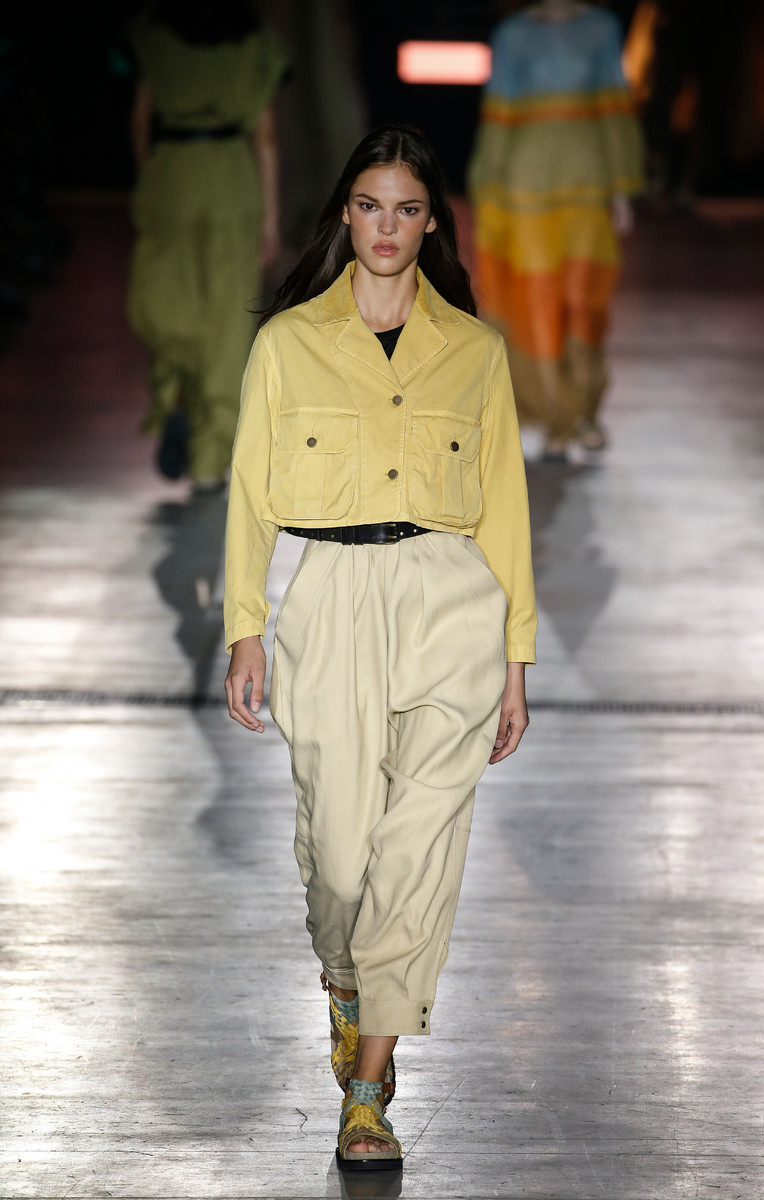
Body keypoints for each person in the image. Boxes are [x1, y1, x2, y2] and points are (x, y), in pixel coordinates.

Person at [223, 124, 537, 1170]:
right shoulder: (288, 344)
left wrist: (515, 662)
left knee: (418, 854)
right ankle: (345, 978)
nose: (386, 228)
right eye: (369, 207)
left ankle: (368, 1092)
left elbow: (505, 511)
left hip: (453, 604)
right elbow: (248, 498)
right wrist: (244, 631)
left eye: (406, 209)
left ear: (432, 222)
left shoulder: (475, 352)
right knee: (342, 854)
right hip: (333, 601)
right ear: (345, 215)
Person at [467, 0, 644, 461]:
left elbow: (614, 106)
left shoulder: (601, 29)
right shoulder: (512, 35)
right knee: (536, 303)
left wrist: (622, 187)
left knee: (585, 301)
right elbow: (497, 114)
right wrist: (487, 188)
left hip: (588, 184)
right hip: (523, 188)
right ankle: (549, 415)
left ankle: (582, 410)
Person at [124, 0, 289, 491]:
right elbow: (265, 134)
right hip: (230, 179)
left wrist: (151, 178)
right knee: (226, 322)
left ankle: (175, 393)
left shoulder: (153, 35)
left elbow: (141, 121)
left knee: (166, 304)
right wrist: (270, 214)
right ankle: (209, 456)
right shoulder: (255, 43)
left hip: (172, 175)